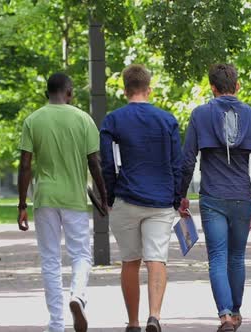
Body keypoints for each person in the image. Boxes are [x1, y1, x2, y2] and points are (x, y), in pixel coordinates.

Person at [179, 64, 251, 332]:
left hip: (212, 198)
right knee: (236, 258)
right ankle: (237, 310)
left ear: (212, 87)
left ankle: (225, 316)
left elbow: (187, 160)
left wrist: (180, 195)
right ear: (238, 86)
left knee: (217, 257)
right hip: (242, 197)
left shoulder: (200, 115)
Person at [17, 73, 108, 332]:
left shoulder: (33, 120)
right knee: (81, 255)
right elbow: (94, 163)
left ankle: (56, 325)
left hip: (44, 197)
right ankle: (77, 296)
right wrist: (103, 196)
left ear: (48, 93)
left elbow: (25, 166)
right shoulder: (83, 119)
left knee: (50, 261)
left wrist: (22, 205)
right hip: (74, 198)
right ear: (69, 93)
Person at [100, 64, 182, 332]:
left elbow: (107, 164)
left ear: (125, 90)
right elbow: (176, 163)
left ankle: (133, 322)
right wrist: (177, 197)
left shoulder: (113, 120)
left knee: (130, 261)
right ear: (149, 89)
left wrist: (110, 196)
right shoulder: (167, 120)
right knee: (156, 258)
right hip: (160, 201)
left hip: (126, 198)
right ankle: (154, 316)